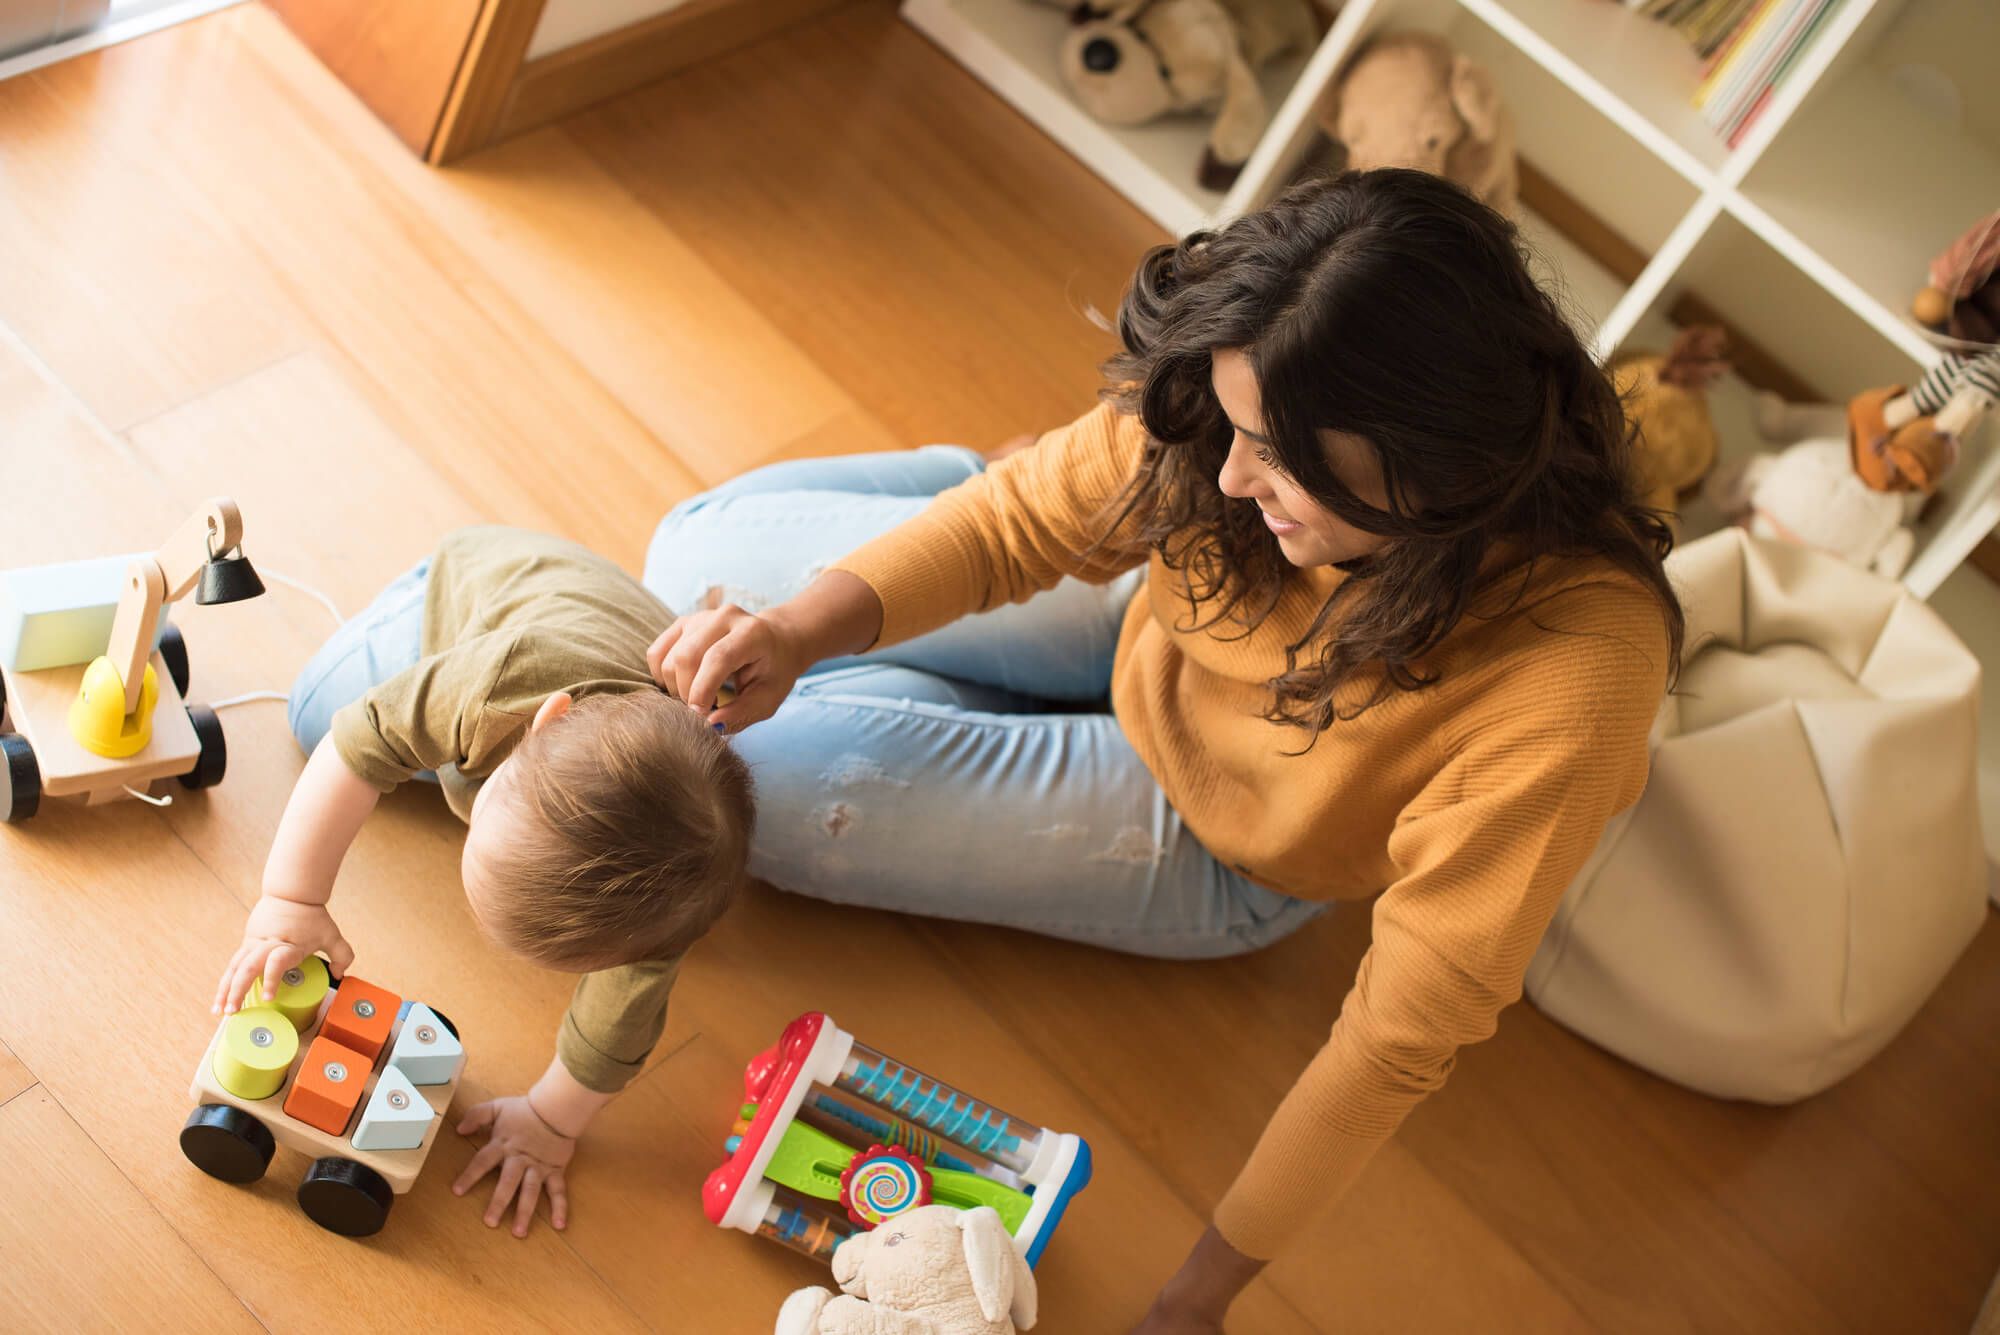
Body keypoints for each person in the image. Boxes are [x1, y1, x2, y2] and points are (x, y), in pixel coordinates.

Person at [642, 168, 1683, 1328]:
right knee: (696, 571)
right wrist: (790, 632)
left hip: (1223, 837)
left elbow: (1395, 1039)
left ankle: (917, 661)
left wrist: (1195, 1300)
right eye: (1231, 434)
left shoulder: (1574, 678)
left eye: (1280, 461)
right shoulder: (1245, 403)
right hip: (1152, 630)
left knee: (752, 789)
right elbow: (1018, 523)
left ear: (1437, 464)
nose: (1236, 478)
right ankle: (939, 578)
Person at [213, 527, 754, 1238]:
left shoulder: (666, 907)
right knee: (315, 713)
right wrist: (292, 901)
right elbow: (362, 739)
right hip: (482, 584)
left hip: (618, 626)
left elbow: (613, 1032)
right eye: (480, 820)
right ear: (544, 720)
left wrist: (551, 1123)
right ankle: (412, 601)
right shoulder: (499, 683)